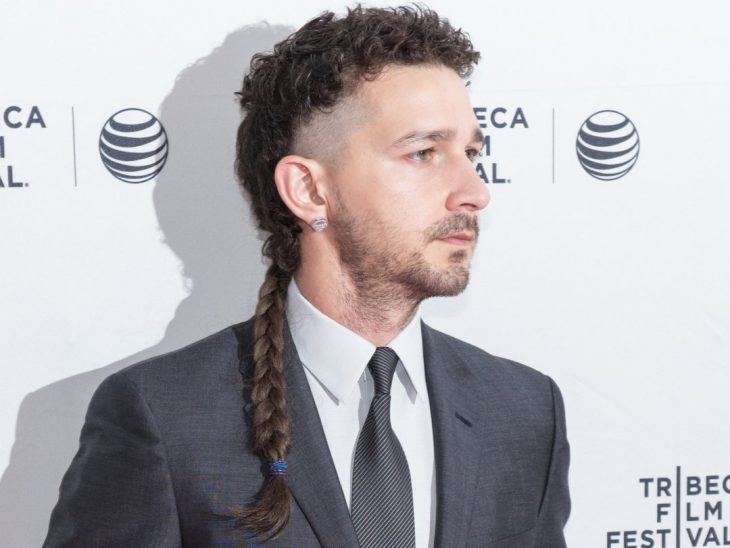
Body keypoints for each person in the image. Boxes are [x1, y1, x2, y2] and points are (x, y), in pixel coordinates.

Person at [44, 5, 570, 547]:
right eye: (423, 153)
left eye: (470, 153)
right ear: (309, 190)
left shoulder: (524, 410)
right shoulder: (163, 417)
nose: (475, 191)